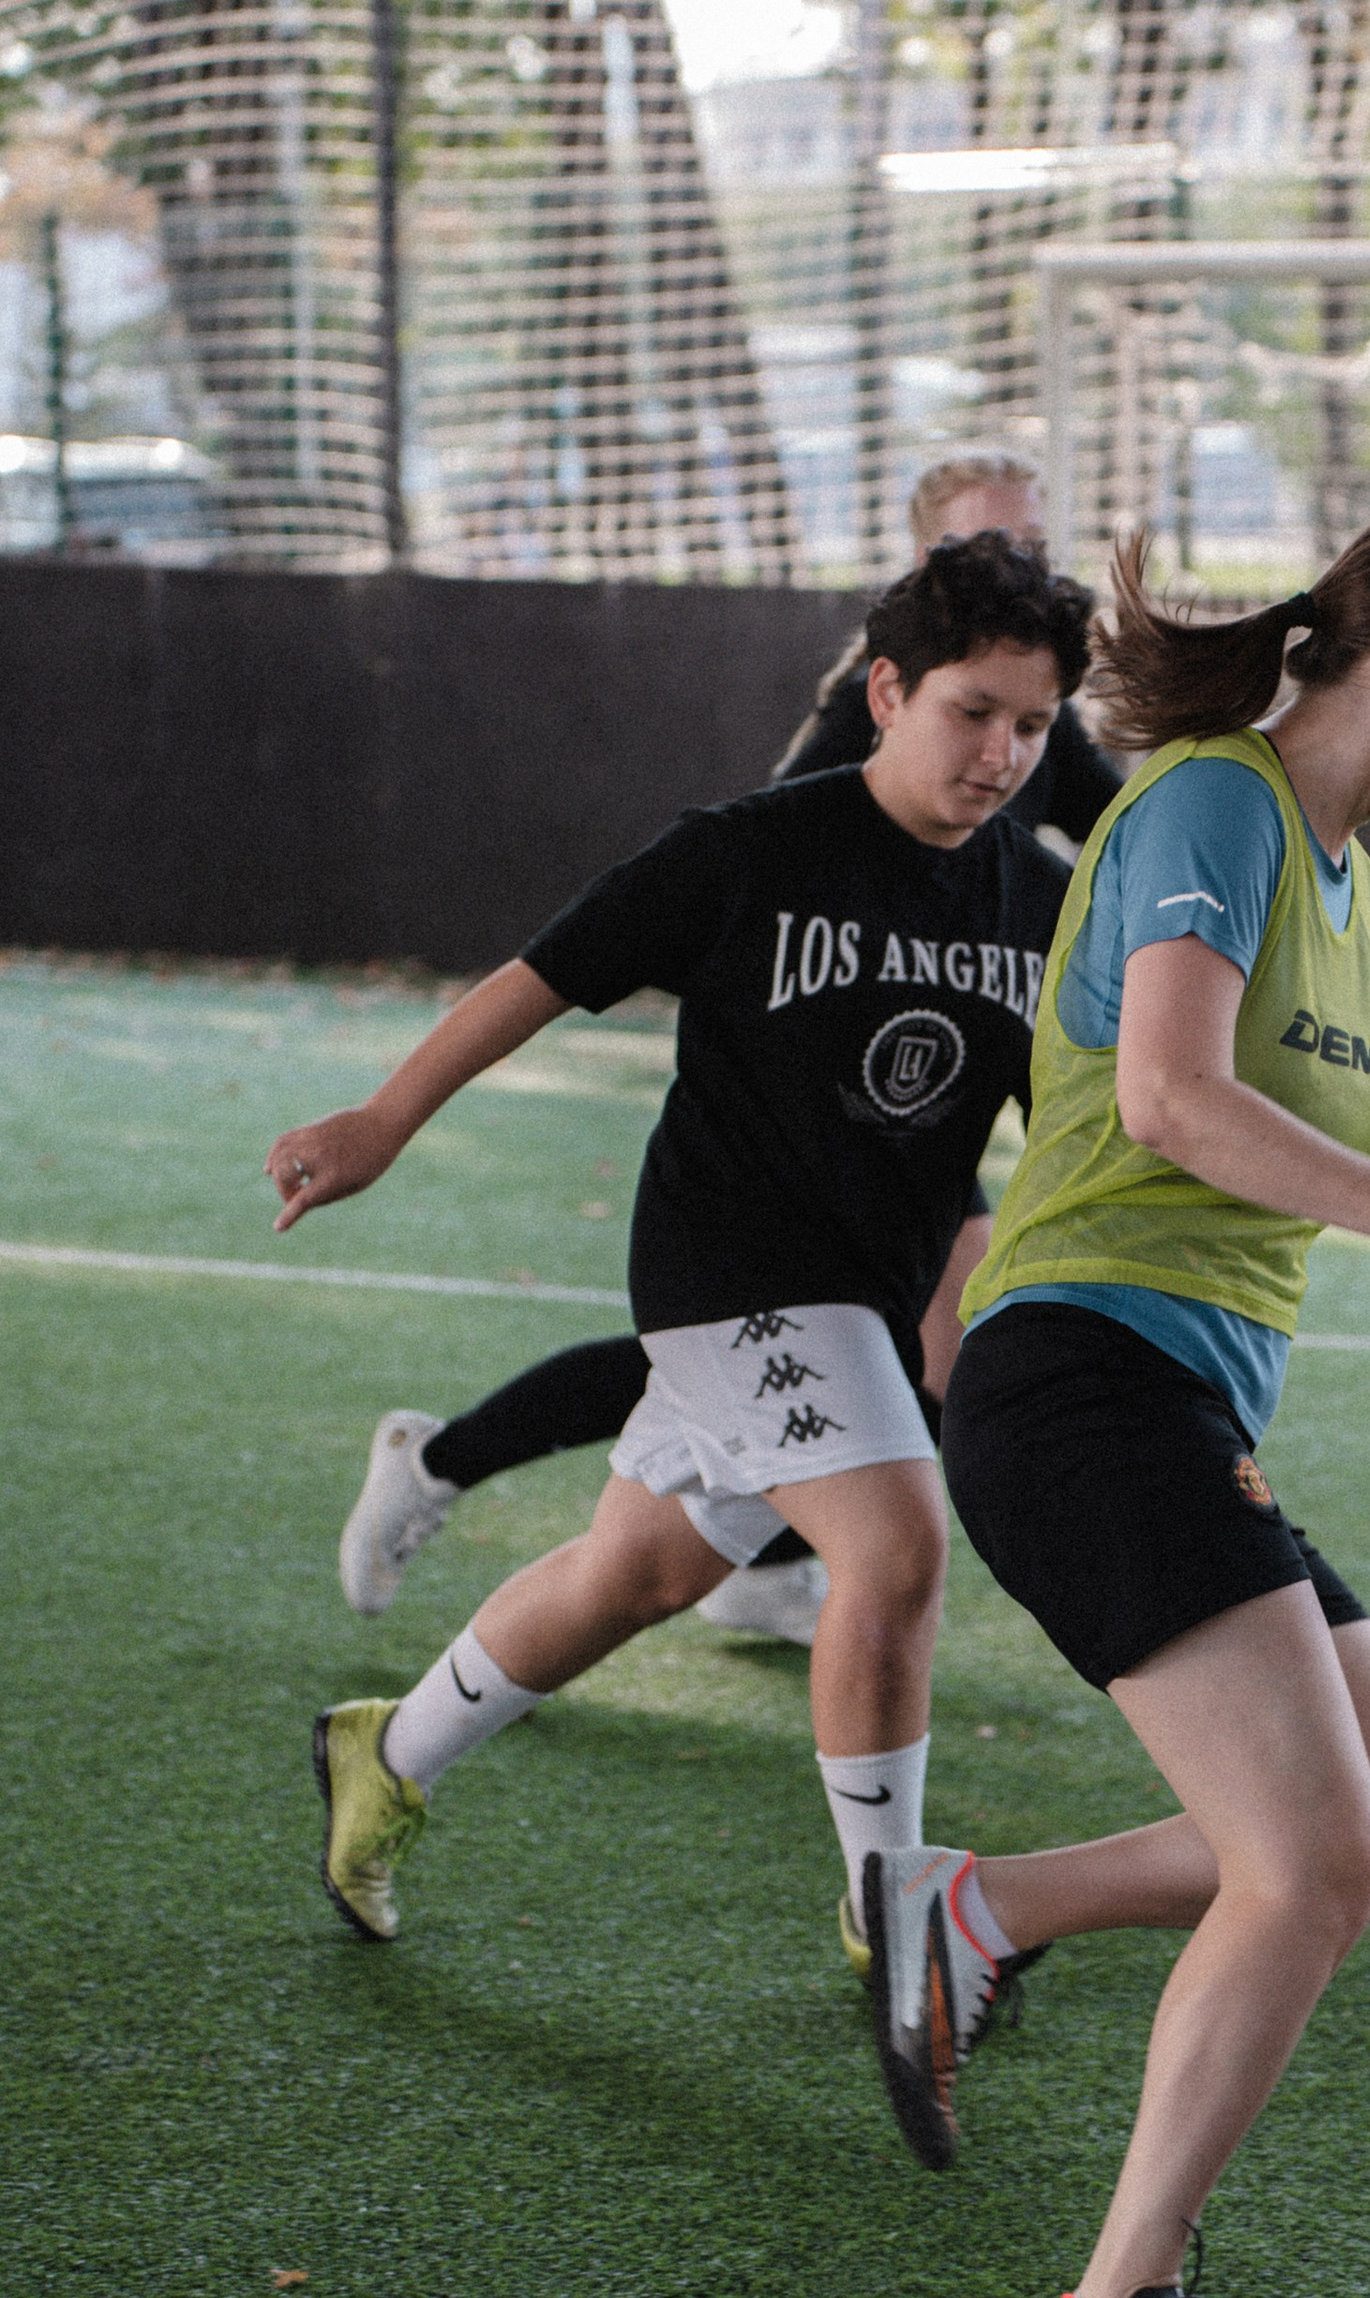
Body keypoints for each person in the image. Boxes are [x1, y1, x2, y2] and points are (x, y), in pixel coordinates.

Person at [857, 491, 1370, 2298]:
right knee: (1314, 1856)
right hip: (1078, 1379)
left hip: (1172, 1410)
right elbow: (1172, 1097)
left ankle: (977, 1911)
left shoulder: (1350, 886)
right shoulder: (1211, 806)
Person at [273, 533, 1094, 1964]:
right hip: (729, 1270)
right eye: (975, 713)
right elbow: (541, 979)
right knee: (896, 1543)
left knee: (634, 1576)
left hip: (866, 1290)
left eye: (1034, 727)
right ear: (887, 692)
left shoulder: (1035, 896)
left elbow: (1063, 1118)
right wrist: (384, 1120)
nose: (1003, 755)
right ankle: (895, 1910)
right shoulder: (746, 851)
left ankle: (386, 1753)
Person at [335, 451, 1127, 1645]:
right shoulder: (877, 718)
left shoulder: (1027, 711)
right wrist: (385, 1119)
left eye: (1032, 543)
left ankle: (742, 1554)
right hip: (814, 1115)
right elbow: (772, 884)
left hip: (933, 1094)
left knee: (895, 1364)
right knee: (793, 1364)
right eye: (989, 545)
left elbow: (1119, 835)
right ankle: (452, 1459)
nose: (1001, 744)